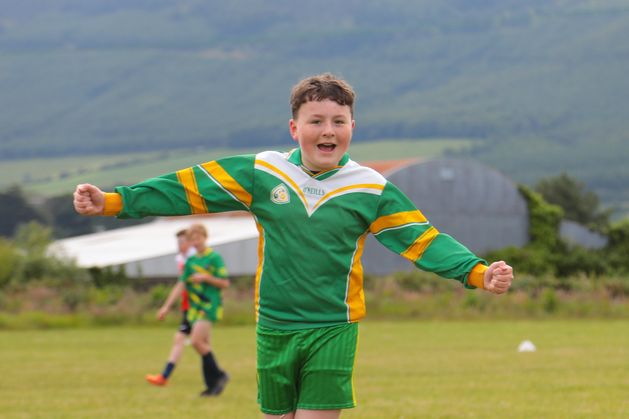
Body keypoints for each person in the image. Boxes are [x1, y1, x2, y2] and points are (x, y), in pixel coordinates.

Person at [73, 73, 514, 418]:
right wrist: (115, 201)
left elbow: (421, 240)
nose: (328, 130)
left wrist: (476, 272)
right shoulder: (262, 172)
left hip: (332, 328)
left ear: (352, 128)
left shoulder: (370, 187)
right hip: (274, 326)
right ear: (294, 127)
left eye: (338, 122)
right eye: (316, 121)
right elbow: (187, 188)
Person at [152, 223, 230, 396]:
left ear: (204, 237)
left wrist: (206, 277)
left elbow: (225, 283)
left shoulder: (214, 258)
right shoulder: (192, 261)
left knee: (196, 341)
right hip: (194, 309)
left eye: (197, 238)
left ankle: (220, 375)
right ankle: (212, 386)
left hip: (209, 307)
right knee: (204, 345)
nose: (195, 242)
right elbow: (181, 284)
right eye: (192, 239)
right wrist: (166, 306)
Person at [145, 228, 196, 387]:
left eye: (182, 241)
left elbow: (182, 284)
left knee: (185, 339)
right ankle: (217, 376)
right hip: (188, 305)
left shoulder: (195, 258)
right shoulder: (182, 259)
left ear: (190, 242)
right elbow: (182, 284)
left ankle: (164, 376)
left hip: (198, 306)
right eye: (178, 242)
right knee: (199, 342)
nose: (179, 245)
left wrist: (166, 307)